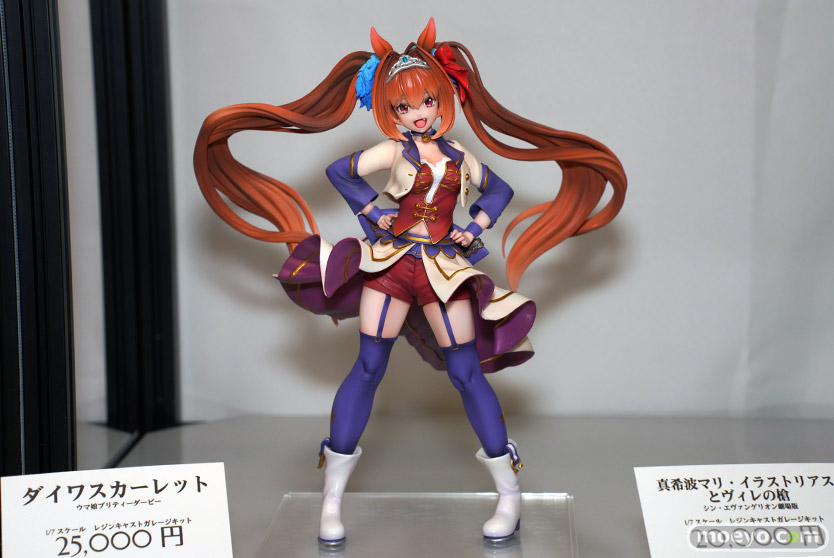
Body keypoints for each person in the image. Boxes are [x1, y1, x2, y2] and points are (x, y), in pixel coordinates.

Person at [194, 18, 626, 545]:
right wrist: (372, 210)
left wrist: (475, 227)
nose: (418, 113)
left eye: (426, 102)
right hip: (393, 265)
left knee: (465, 373)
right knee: (368, 366)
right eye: (404, 106)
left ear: (442, 100)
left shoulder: (461, 158)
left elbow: (499, 191)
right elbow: (340, 172)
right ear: (390, 111)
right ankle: (332, 498)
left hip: (443, 270)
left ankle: (509, 493)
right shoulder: (393, 152)